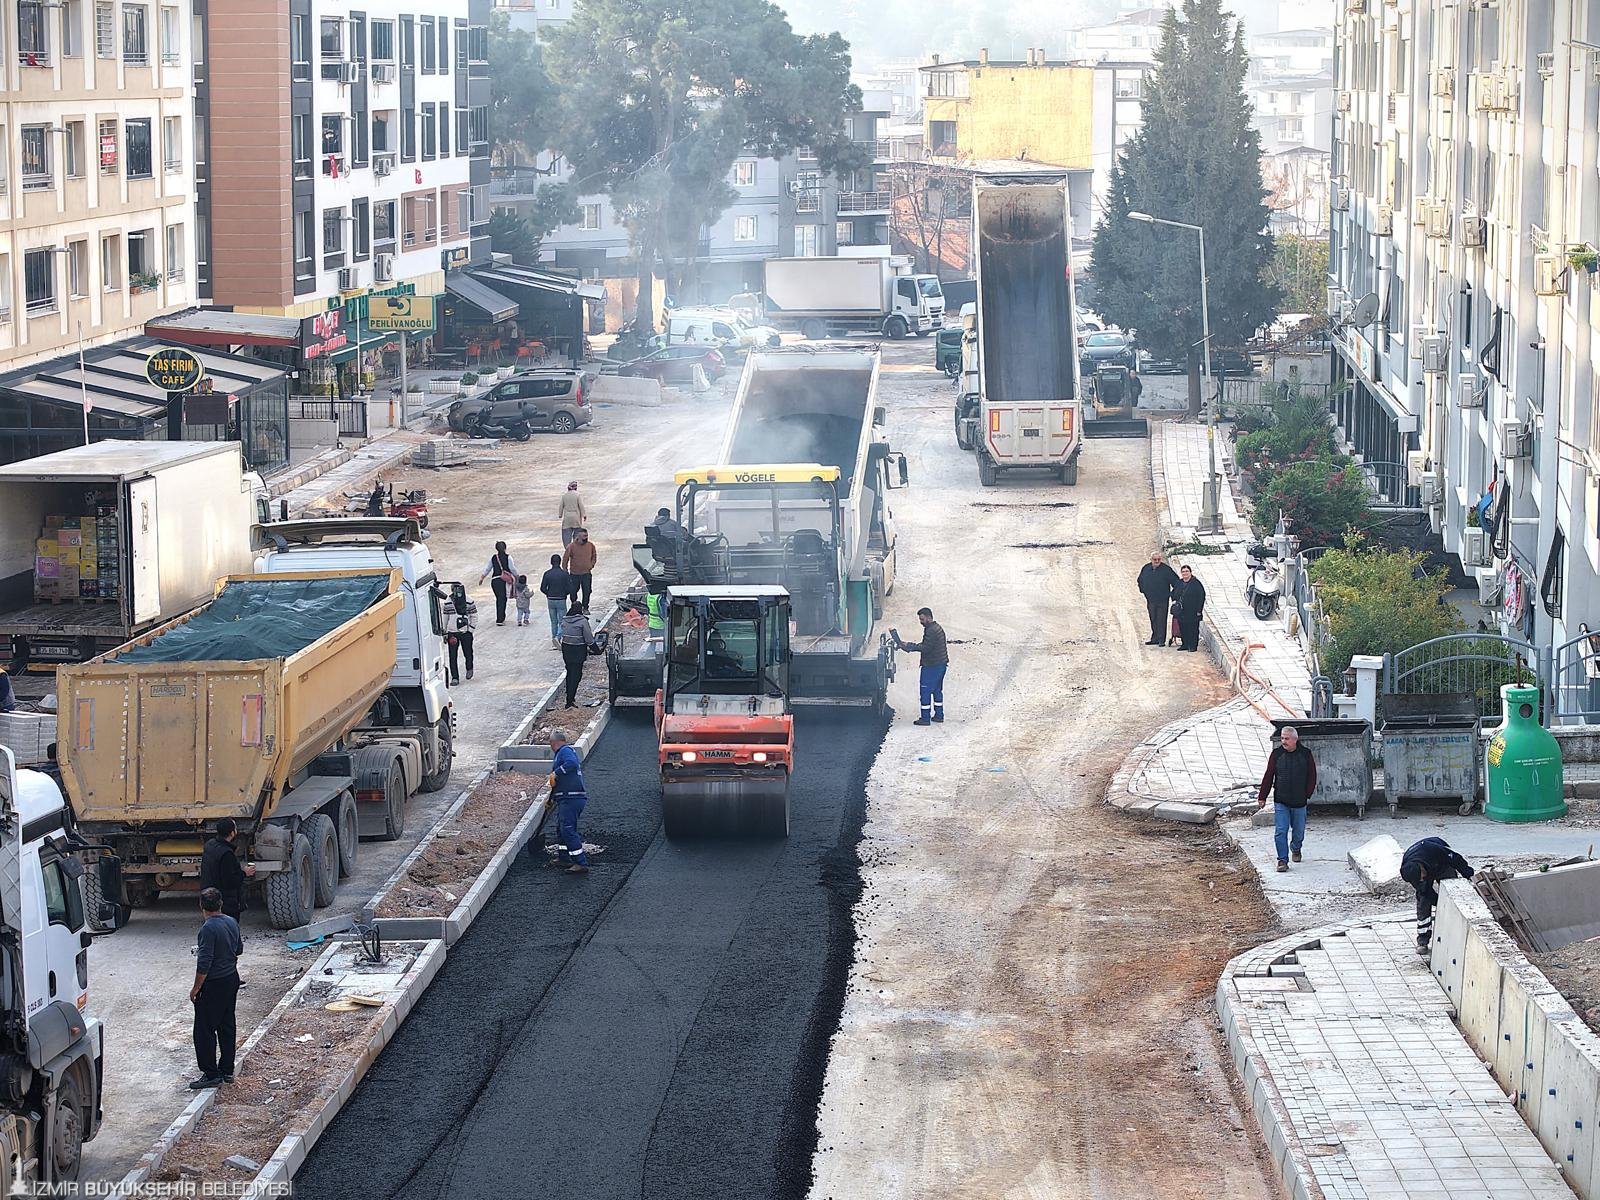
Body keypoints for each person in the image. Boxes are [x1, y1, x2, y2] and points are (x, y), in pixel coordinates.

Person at [189, 887, 243, 1090]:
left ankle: (211, 1073)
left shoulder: (208, 929)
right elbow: (238, 949)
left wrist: (196, 988)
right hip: (231, 978)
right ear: (220, 903)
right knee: (227, 1025)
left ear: (201, 906)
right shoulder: (231, 922)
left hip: (214, 984)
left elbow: (204, 963)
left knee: (204, 1030)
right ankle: (227, 1070)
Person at [1256, 726, 1317, 873]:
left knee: (1299, 832)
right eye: (1282, 738)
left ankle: (1296, 848)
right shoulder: (1276, 755)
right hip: (1281, 800)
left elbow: (1312, 776)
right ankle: (1282, 860)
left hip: (1299, 801)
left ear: (1295, 740)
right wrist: (1262, 796)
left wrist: (1307, 794)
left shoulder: (1305, 754)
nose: (1283, 741)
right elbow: (1269, 775)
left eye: (1287, 738)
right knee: (1280, 831)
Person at [1401, 837, 1475, 955]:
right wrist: (1439, 903)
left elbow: (1455, 858)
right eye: (1418, 879)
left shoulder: (1431, 849)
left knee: (1452, 894)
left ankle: (1455, 934)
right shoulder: (1411, 872)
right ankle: (1423, 941)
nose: (1421, 879)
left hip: (1441, 863)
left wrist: (1468, 874)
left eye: (1421, 876)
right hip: (1425, 866)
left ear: (1420, 867)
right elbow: (1426, 892)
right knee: (1423, 901)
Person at [893, 607, 949, 726]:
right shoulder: (936, 628)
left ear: (929, 617)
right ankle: (939, 715)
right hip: (941, 664)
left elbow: (926, 648)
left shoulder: (931, 631)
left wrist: (909, 646)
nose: (921, 622)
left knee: (925, 691)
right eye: (920, 619)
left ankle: (925, 718)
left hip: (932, 666)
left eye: (922, 619)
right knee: (937, 690)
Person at [547, 729, 589, 874]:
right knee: (561, 828)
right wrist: (552, 798)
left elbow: (572, 763)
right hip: (565, 797)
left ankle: (580, 862)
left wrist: (556, 773)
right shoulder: (561, 753)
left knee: (568, 829)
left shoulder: (565, 751)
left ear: (554, 742)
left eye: (550, 743)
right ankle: (564, 857)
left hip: (572, 798)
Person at [199, 818, 254, 922]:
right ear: (232, 833)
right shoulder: (226, 854)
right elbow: (229, 882)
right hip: (225, 904)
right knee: (229, 932)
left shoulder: (209, 845)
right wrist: (244, 873)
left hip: (208, 898)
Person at [560, 602, 599, 708]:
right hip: (578, 650)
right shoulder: (582, 622)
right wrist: (597, 650)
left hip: (566, 649)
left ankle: (569, 696)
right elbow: (589, 640)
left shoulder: (565, 620)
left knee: (569, 672)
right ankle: (570, 701)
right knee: (576, 675)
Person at [1136, 552, 1180, 647]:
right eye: (1155, 559)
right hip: (1151, 599)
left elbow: (1176, 582)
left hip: (1162, 599)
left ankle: (1161, 639)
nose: (1157, 561)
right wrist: (1143, 591)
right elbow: (1140, 580)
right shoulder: (1146, 568)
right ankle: (1154, 638)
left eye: (1158, 559)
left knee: (1161, 619)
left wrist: (1172, 594)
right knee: (1153, 618)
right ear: (1151, 559)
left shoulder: (1166, 570)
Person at [479, 541, 517, 625]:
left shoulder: (493, 557)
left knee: (499, 598)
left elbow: (487, 568)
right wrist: (517, 576)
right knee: (503, 599)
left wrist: (482, 578)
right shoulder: (508, 557)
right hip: (504, 580)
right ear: (505, 548)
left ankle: (500, 617)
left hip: (495, 581)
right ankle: (500, 618)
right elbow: (512, 568)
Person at [445, 584, 477, 683]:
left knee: (468, 652)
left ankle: (469, 668)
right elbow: (445, 617)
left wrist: (470, 629)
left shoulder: (469, 600)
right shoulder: (448, 601)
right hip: (452, 633)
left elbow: (474, 615)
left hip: (466, 632)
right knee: (452, 656)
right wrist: (445, 632)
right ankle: (455, 677)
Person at [539, 554, 571, 649]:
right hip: (561, 598)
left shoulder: (547, 574)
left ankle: (554, 640)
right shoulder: (564, 574)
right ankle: (558, 637)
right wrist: (565, 593)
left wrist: (548, 594)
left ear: (551, 562)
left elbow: (542, 588)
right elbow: (570, 588)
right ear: (560, 562)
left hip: (551, 599)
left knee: (553, 621)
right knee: (562, 620)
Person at [1172, 564, 1206, 652]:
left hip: (1192, 611)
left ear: (1190, 572)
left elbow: (1201, 596)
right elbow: (1174, 592)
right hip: (1181, 611)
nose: (1185, 573)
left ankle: (1193, 646)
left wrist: (1199, 610)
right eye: (1183, 572)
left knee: (1193, 629)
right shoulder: (1179, 582)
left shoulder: (1196, 583)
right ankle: (1185, 644)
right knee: (1183, 628)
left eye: (1187, 571)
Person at [562, 529, 598, 610]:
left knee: (587, 591)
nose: (586, 538)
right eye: (584, 536)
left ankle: (585, 607)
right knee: (573, 591)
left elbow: (594, 555)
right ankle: (574, 606)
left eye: (587, 536)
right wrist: (565, 570)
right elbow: (565, 559)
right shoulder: (571, 546)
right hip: (574, 574)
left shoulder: (590, 545)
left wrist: (591, 565)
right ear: (578, 536)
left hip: (586, 573)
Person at [559, 481, 587, 548]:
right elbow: (581, 506)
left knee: (566, 534)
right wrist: (584, 515)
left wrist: (560, 514)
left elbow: (561, 506)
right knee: (577, 533)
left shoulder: (564, 496)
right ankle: (576, 547)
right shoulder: (577, 495)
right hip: (576, 517)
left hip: (567, 518)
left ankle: (567, 548)